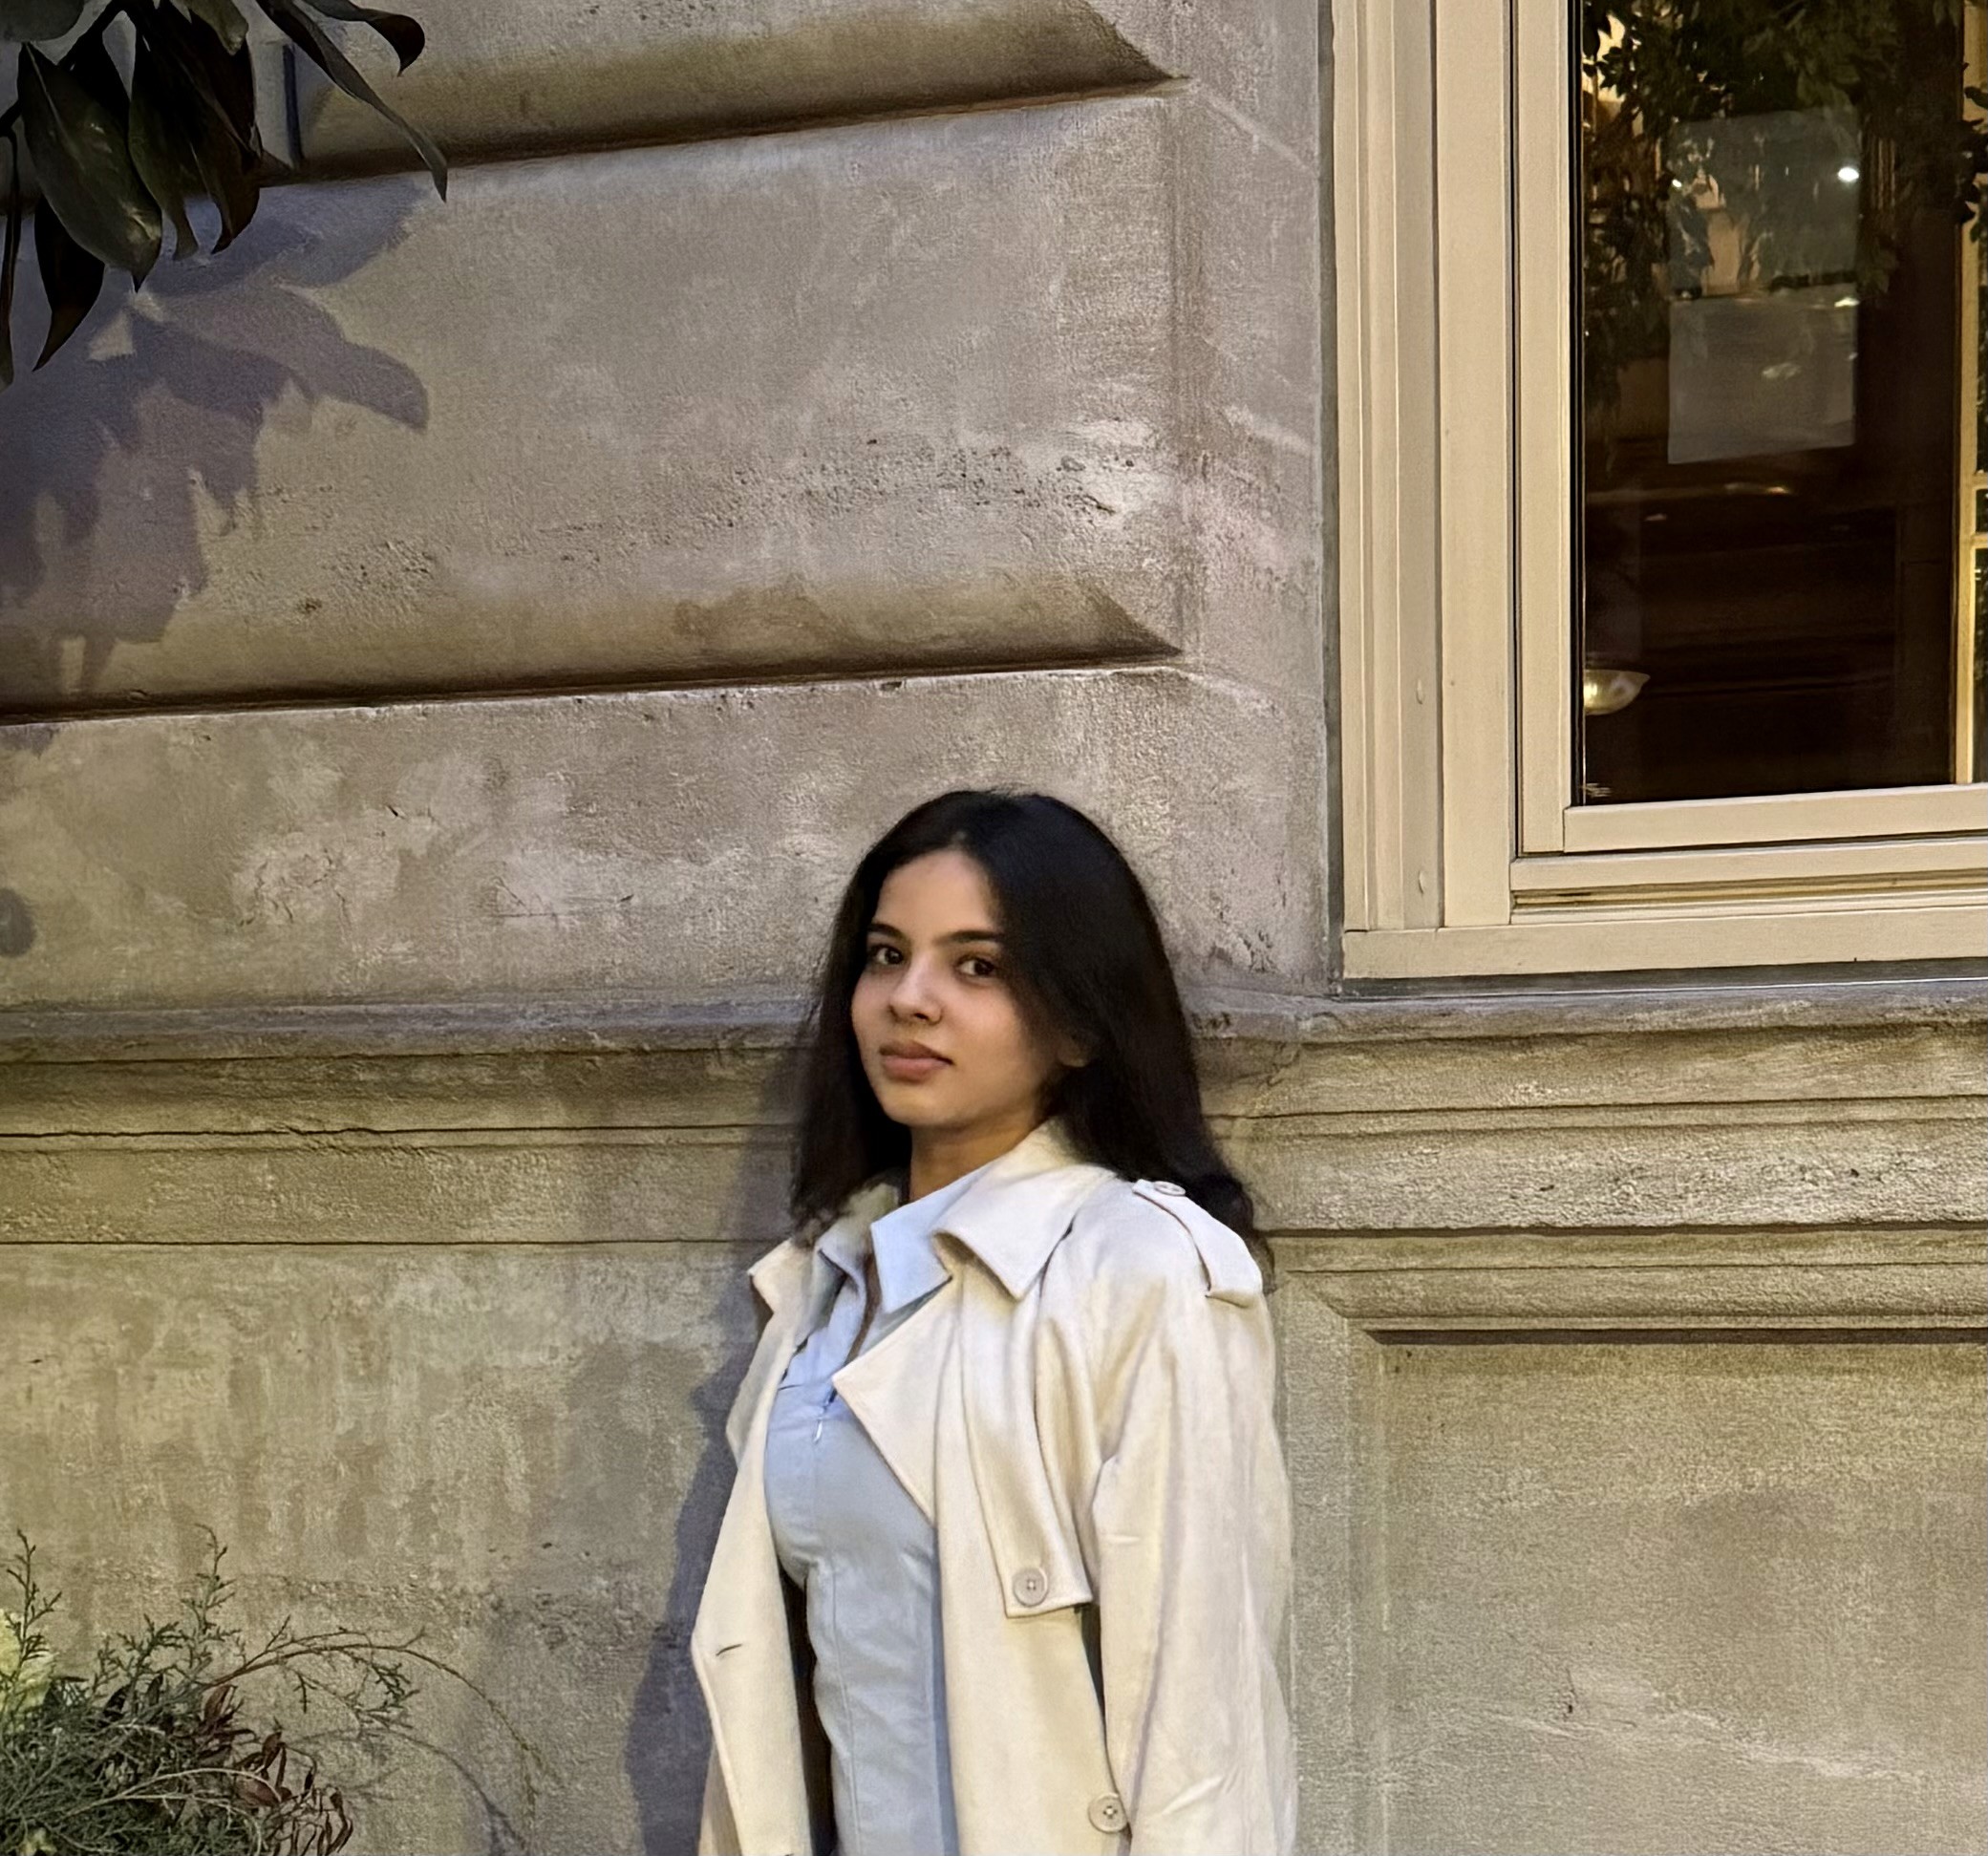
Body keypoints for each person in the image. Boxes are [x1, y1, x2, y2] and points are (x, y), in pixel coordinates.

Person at [690, 788, 1295, 1856]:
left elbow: (1202, 1721)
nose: (909, 999)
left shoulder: (1137, 1268)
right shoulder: (822, 1286)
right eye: (885, 955)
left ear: (1076, 1021)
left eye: (978, 965)